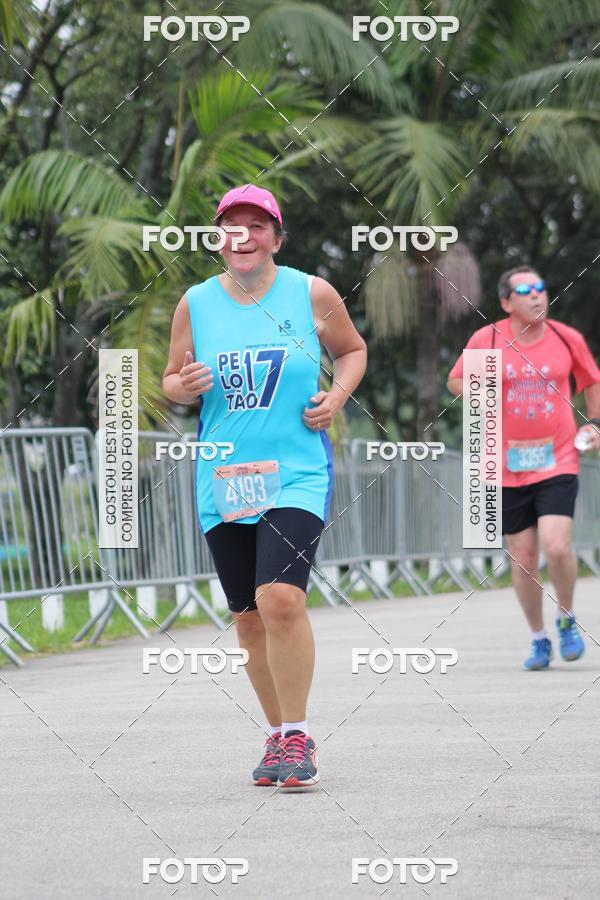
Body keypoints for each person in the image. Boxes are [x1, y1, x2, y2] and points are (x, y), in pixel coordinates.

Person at [163, 184, 367, 785]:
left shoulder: (311, 293)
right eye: (232, 225)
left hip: (297, 472)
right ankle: (278, 737)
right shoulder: (195, 303)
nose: (244, 235)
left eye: (258, 225)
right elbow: (172, 381)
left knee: (281, 598)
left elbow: (353, 350)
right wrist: (186, 384)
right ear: (218, 238)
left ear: (276, 238)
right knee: (248, 615)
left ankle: (299, 735)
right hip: (223, 475)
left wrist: (335, 396)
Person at [447, 265, 600, 670]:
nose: (537, 296)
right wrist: (482, 394)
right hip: (506, 463)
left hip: (558, 457)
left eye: (541, 288)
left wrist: (595, 423)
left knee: (557, 545)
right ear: (506, 302)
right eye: (526, 290)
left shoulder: (567, 338)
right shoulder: (489, 338)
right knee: (525, 557)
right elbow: (457, 381)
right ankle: (538, 639)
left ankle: (566, 618)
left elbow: (592, 380)